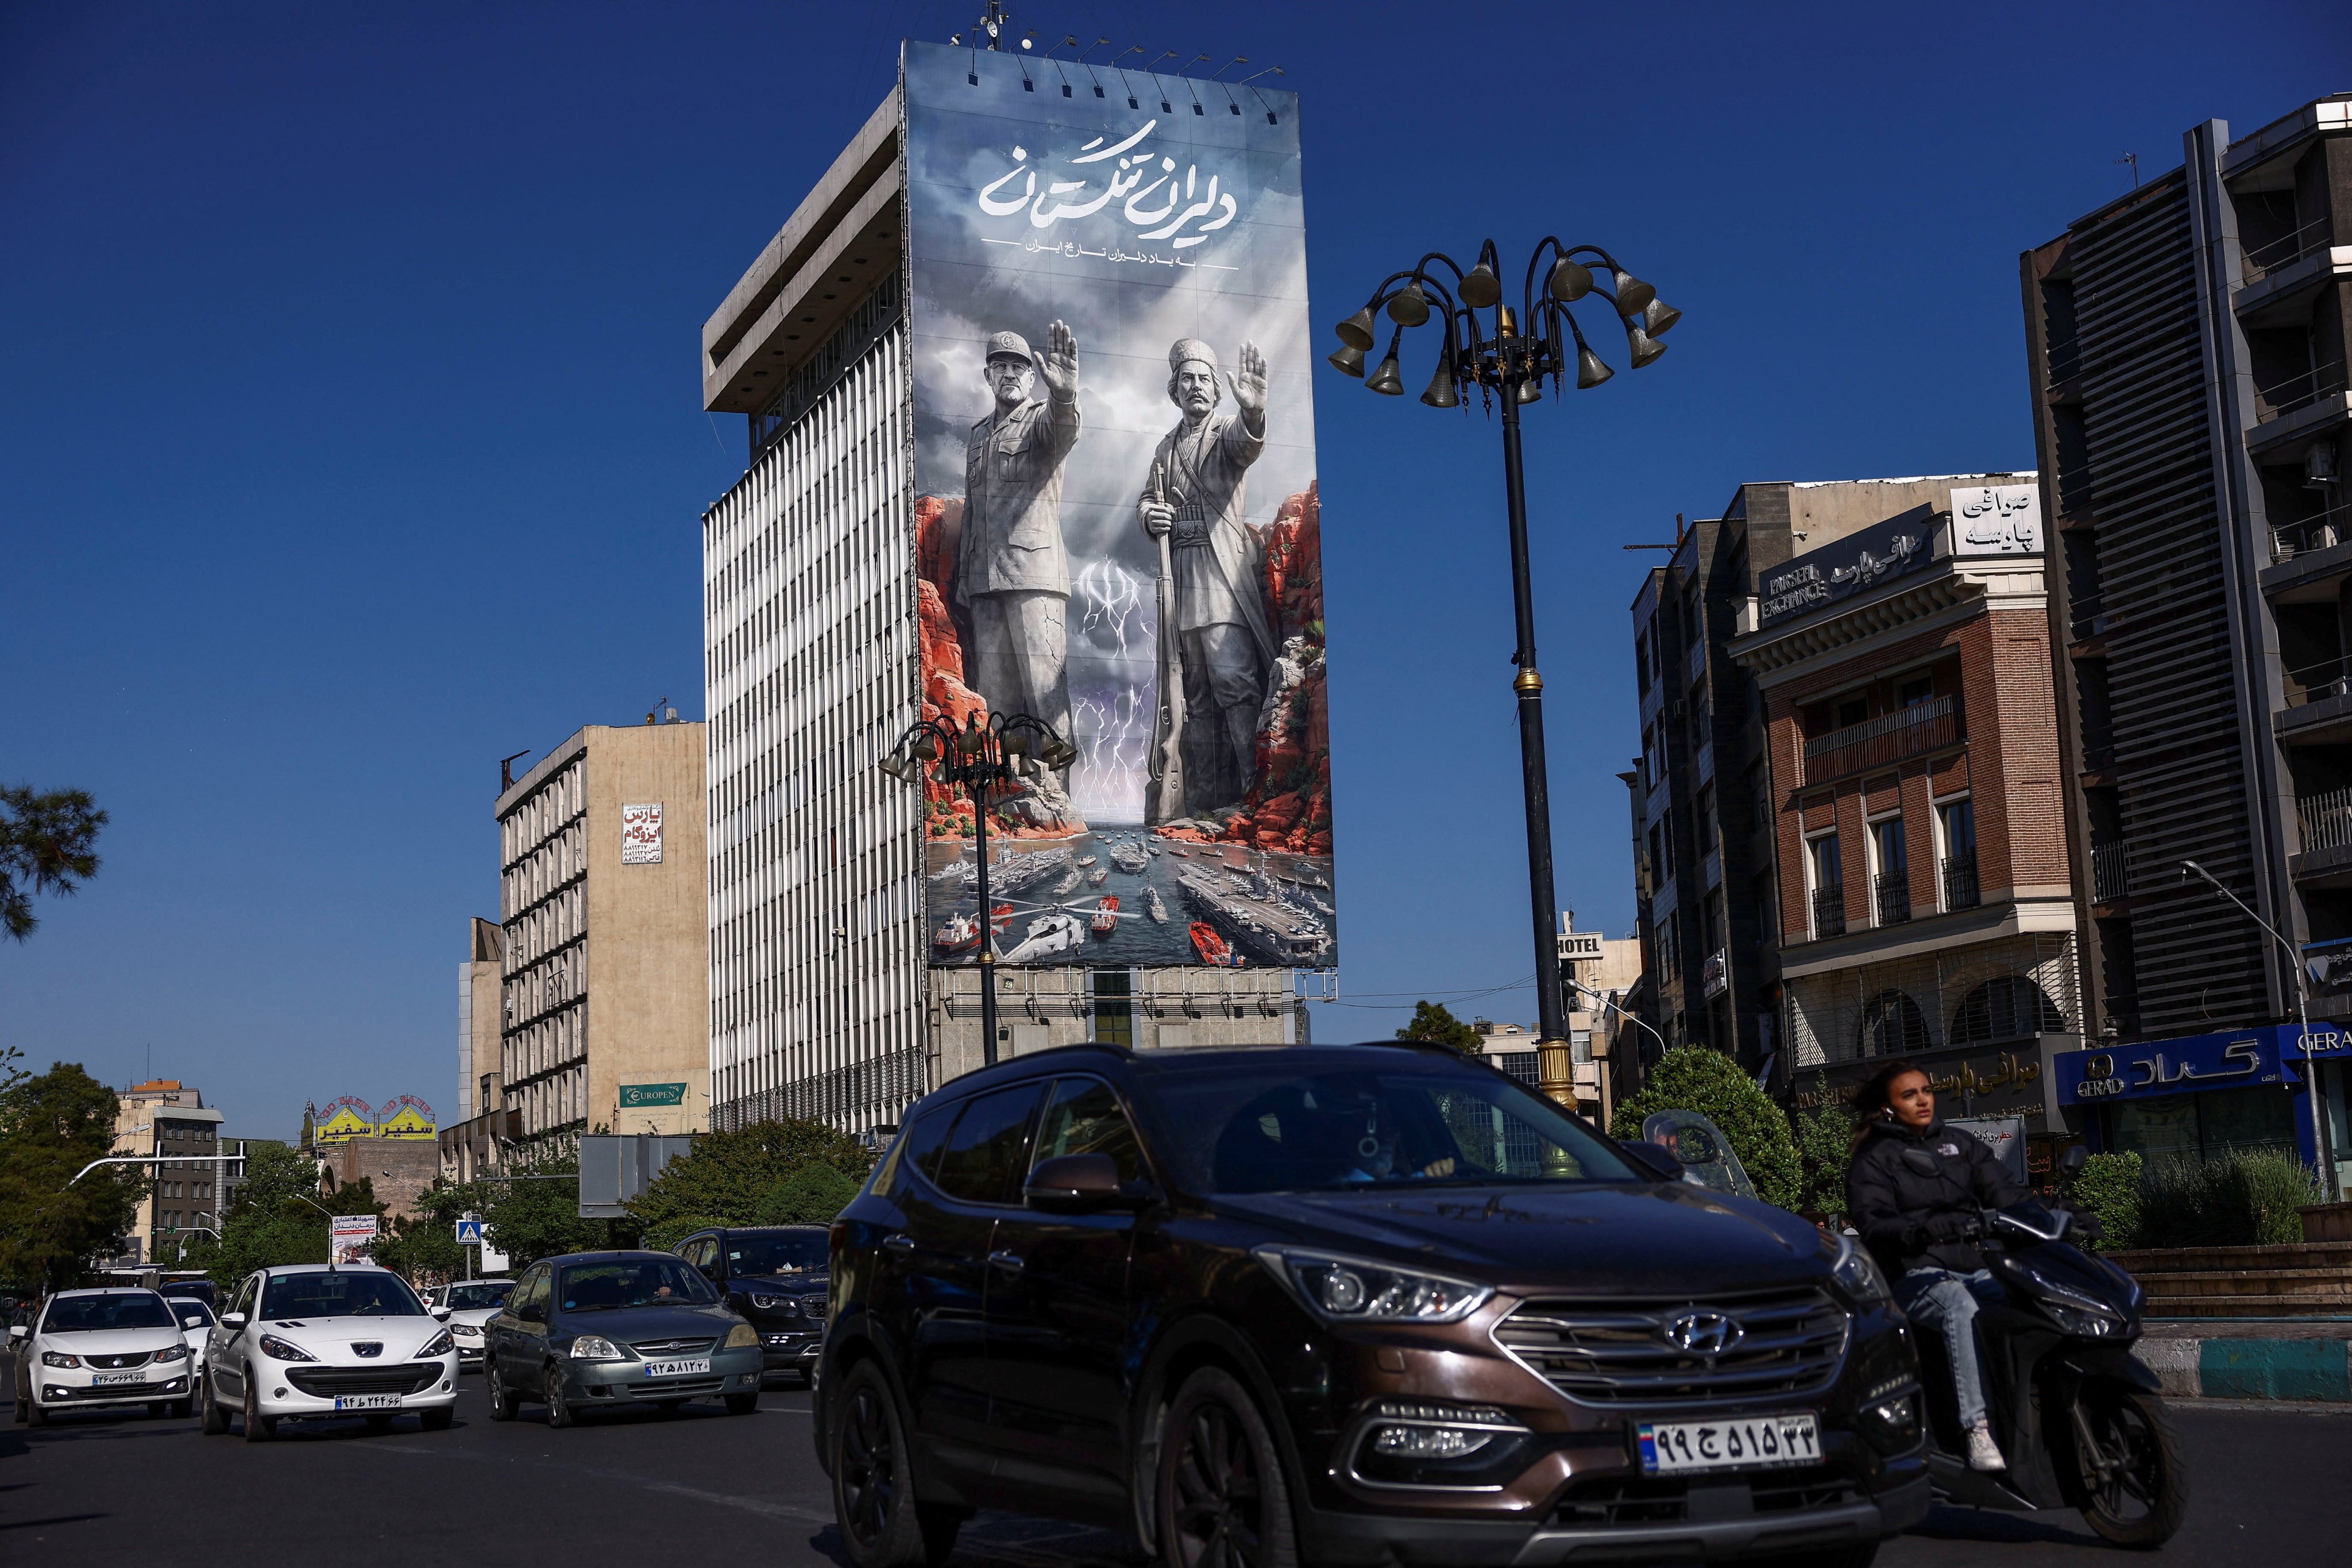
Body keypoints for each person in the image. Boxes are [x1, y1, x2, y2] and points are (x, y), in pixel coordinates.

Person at [1844, 1059, 2026, 1473]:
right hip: (1914, 1275)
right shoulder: (1874, 1159)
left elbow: (2007, 1192)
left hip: (1976, 1266)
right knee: (1958, 1307)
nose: (1922, 1100)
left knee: (2024, 1295)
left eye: (1926, 1091)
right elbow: (1873, 1221)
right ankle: (1975, 1428)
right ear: (1888, 1107)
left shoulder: (1961, 1144)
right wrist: (1919, 1231)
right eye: (1909, 1094)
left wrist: (2058, 1213)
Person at [1136, 338, 1278, 813]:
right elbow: (1147, 497)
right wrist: (1148, 515)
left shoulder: (1223, 432)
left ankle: (1253, 793)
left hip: (1220, 576)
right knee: (1192, 698)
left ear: (1216, 390)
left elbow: (1245, 443)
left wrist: (1254, 414)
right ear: (1174, 389)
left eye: (1203, 379)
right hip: (1180, 577)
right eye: (1186, 379)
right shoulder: (1165, 446)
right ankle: (1205, 801)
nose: (1194, 387)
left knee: (1234, 686)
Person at [957, 323, 1082, 754]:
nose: (1009, 373)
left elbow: (1063, 430)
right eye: (1000, 366)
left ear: (1031, 377)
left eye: (1018, 367)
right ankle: (1011, 797)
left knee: (1045, 690)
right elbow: (973, 510)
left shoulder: (1040, 421)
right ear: (987, 376)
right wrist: (964, 580)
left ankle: (1060, 802)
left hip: (1034, 574)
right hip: (984, 582)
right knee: (997, 700)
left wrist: (1064, 396)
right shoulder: (976, 437)